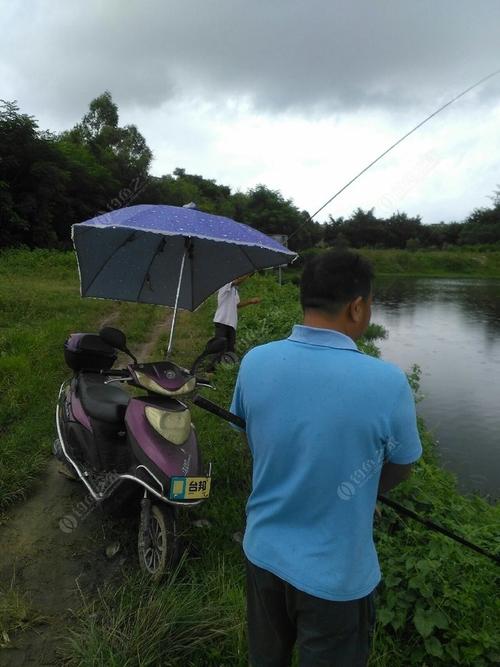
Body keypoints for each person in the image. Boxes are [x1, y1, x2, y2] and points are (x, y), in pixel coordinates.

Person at [230, 249, 422, 667]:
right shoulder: (387, 381)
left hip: (262, 552)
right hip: (336, 575)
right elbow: (404, 463)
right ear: (357, 307)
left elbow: (250, 433)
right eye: (369, 303)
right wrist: (366, 490)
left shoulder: (254, 362)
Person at [213, 274, 260, 353]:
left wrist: (250, 301)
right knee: (219, 347)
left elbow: (237, 305)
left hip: (232, 324)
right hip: (222, 321)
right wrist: (248, 274)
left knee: (230, 348)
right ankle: (215, 363)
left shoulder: (234, 290)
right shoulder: (224, 285)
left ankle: (226, 364)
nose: (237, 278)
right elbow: (237, 282)